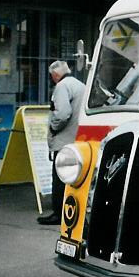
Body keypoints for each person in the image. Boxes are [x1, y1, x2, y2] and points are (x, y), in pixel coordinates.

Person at [40, 60, 85, 225]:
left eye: (52, 76)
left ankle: (58, 213)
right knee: (74, 179)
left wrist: (53, 128)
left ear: (55, 75)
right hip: (78, 140)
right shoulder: (80, 85)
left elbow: (62, 114)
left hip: (64, 140)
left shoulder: (61, 87)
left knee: (59, 178)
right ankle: (72, 212)